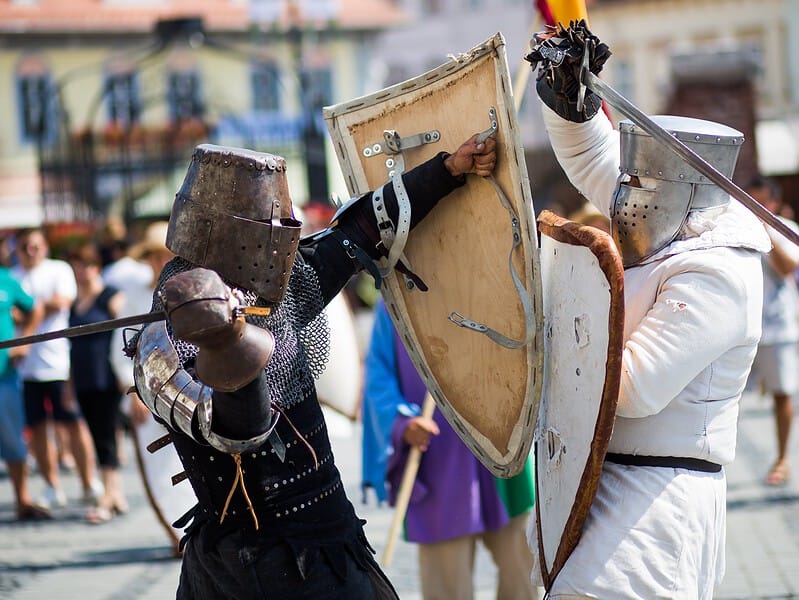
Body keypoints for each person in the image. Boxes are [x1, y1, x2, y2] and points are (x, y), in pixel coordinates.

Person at [118, 136, 495, 598]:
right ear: (236, 232)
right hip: (245, 567)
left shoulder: (286, 285)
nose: (287, 234)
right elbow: (240, 430)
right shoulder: (165, 343)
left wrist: (448, 169)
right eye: (273, 224)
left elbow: (362, 229)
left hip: (329, 536)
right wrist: (226, 338)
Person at [525, 21, 771, 599]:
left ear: (687, 189)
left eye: (640, 181)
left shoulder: (720, 269)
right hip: (596, 477)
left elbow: (632, 387)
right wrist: (572, 106)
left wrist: (540, 336)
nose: (625, 194)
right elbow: (596, 160)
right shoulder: (667, 213)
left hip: (659, 499)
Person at [362, 299, 537, 600]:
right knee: (446, 588)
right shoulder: (396, 298)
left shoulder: (486, 279)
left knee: (523, 574)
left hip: (498, 444)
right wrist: (404, 423)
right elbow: (379, 377)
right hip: (437, 455)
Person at [109, 221, 197, 554]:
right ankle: (180, 535)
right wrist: (136, 392)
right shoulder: (135, 297)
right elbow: (120, 351)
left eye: (165, 254)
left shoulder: (194, 288)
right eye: (154, 256)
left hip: (192, 388)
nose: (159, 261)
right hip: (150, 392)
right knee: (162, 468)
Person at [11, 228, 101, 509]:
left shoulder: (58, 269)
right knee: (37, 428)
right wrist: (38, 308)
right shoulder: (13, 276)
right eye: (25, 246)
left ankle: (88, 482)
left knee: (73, 424)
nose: (30, 251)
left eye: (35, 245)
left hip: (59, 363)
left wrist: (30, 310)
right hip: (25, 368)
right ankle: (51, 484)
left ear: (44, 247)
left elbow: (63, 301)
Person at [66, 241, 129, 522]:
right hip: (84, 377)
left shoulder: (110, 296)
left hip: (108, 375)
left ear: (96, 267)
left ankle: (110, 492)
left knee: (107, 435)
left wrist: (125, 372)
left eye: (86, 266)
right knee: (96, 434)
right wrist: (68, 385)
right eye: (77, 267)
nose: (82, 272)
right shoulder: (74, 304)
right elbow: (71, 347)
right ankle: (114, 493)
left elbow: (128, 330)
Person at [744, 176, 799, 485]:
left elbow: (788, 267)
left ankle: (782, 459)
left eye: (762, 202)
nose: (756, 208)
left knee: (782, 394)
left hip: (778, 325)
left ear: (774, 203)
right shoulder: (735, 228)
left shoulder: (785, 229)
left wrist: (766, 229)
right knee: (726, 393)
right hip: (742, 327)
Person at [0, 235, 48, 520]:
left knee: (14, 440)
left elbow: (35, 308)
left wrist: (24, 343)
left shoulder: (5, 279)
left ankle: (22, 500)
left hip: (4, 377)